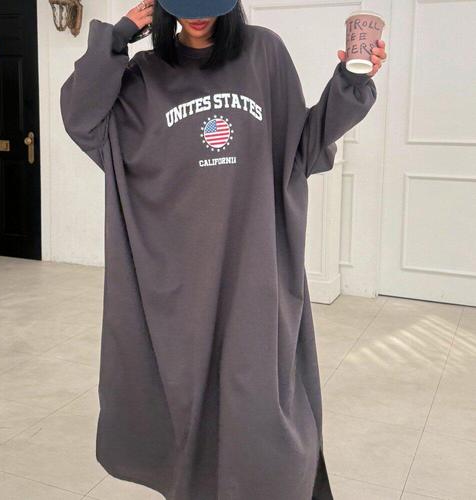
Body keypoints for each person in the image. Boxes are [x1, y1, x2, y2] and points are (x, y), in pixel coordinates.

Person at [60, 1, 386, 499]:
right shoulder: (145, 73)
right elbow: (82, 119)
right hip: (175, 273)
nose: (197, 16)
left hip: (252, 264)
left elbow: (302, 145)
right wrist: (117, 37)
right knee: (184, 404)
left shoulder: (263, 53)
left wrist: (351, 82)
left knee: (263, 408)